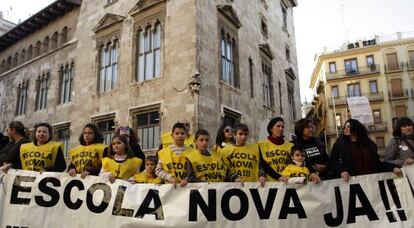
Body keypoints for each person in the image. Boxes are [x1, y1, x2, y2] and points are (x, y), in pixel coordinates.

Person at [329, 119, 401, 181]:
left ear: (357, 128)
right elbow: (333, 162)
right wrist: (342, 171)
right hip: (351, 184)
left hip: (370, 183)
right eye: (345, 127)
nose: (346, 128)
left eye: (349, 127)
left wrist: (393, 168)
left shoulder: (369, 145)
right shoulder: (339, 144)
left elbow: (377, 164)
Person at [258, 117, 293, 182]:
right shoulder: (261, 144)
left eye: (282, 127)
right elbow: (263, 165)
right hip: (270, 184)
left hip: (288, 182)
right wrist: (278, 177)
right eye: (278, 126)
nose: (281, 129)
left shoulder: (291, 146)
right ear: (271, 129)